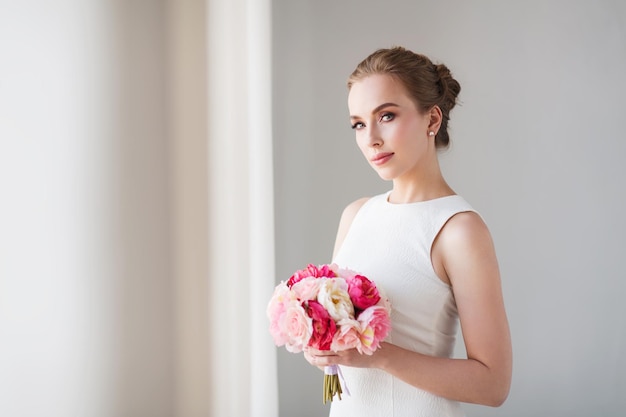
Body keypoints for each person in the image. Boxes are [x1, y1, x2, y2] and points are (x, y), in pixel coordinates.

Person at [303, 46, 512, 416]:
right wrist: (323, 347)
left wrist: (378, 356)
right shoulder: (356, 215)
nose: (371, 138)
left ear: (432, 119)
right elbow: (345, 351)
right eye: (358, 123)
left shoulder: (458, 229)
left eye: (386, 115)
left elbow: (493, 384)